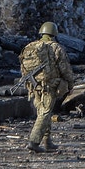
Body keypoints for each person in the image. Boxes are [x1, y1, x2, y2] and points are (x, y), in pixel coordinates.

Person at [19, 21, 75, 153]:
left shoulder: (30, 47)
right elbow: (65, 68)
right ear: (54, 34)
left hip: (34, 86)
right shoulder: (56, 48)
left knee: (43, 112)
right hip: (50, 85)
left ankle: (47, 140)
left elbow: (23, 68)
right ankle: (34, 141)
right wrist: (70, 83)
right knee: (44, 113)